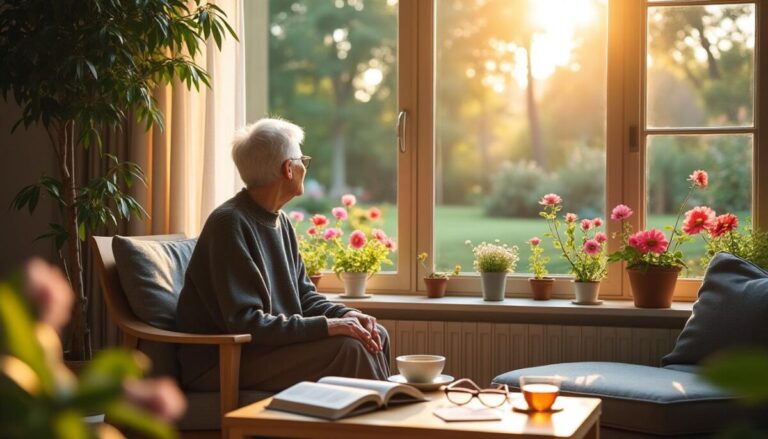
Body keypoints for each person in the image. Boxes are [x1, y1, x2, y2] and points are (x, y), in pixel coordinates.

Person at [176, 118, 390, 392]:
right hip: (225, 359)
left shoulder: (281, 221)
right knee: (351, 349)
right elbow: (247, 321)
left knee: (375, 333)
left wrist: (347, 314)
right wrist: (330, 326)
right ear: (288, 169)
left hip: (267, 349)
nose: (304, 166)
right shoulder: (228, 224)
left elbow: (304, 296)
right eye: (302, 160)